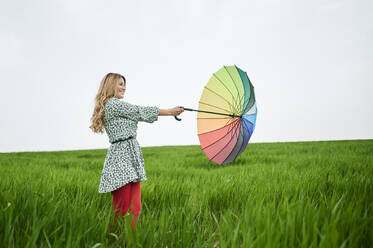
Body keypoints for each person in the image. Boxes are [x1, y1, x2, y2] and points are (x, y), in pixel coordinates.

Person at [89, 72, 184, 233]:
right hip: (121, 158)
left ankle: (129, 240)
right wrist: (170, 112)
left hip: (131, 155)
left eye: (124, 84)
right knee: (122, 209)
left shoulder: (117, 105)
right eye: (120, 84)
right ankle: (114, 242)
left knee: (135, 207)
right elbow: (138, 111)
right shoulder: (112, 104)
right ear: (110, 85)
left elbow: (135, 113)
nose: (124, 87)